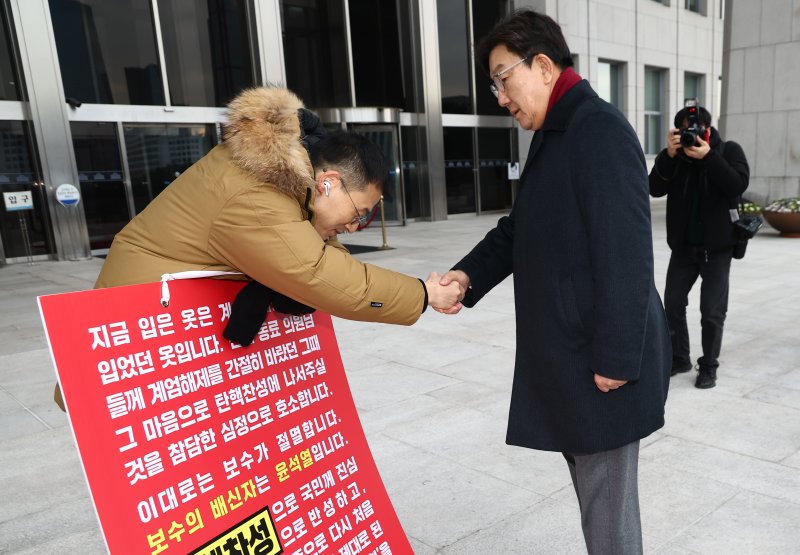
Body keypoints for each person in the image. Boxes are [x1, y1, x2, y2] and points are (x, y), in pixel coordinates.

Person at [54, 86, 461, 410]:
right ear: (330, 182)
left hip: (168, 325)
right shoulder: (257, 192)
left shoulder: (286, 183)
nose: (355, 227)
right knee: (149, 462)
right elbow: (318, 274)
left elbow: (319, 255)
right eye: (360, 214)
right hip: (137, 338)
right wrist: (422, 294)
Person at [437, 9, 671, 554]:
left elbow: (627, 252)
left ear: (543, 66)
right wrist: (466, 276)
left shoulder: (598, 130)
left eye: (502, 79)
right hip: (573, 356)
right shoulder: (557, 132)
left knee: (607, 514)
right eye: (494, 85)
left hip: (601, 363)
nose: (501, 97)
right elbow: (520, 228)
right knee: (598, 504)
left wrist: (617, 359)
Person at [649, 104, 750, 388]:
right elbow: (654, 188)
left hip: (717, 249)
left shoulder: (728, 151)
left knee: (712, 311)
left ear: (707, 129)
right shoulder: (677, 158)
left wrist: (709, 157)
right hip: (683, 248)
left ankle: (708, 365)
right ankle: (679, 357)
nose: (689, 134)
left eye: (694, 129)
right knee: (672, 303)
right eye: (683, 130)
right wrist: (668, 156)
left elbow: (737, 184)